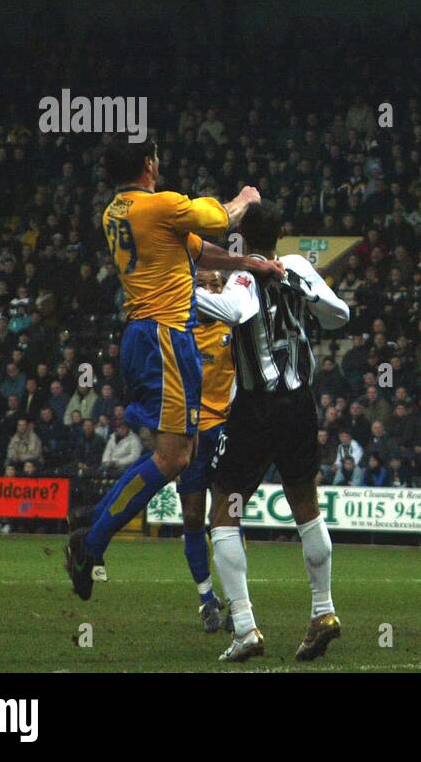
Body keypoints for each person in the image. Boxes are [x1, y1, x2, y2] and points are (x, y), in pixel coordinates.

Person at [65, 136, 278, 599]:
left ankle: (95, 518)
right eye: (157, 158)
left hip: (141, 334)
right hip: (166, 335)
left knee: (179, 450)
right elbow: (221, 217)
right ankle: (93, 539)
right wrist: (247, 197)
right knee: (175, 457)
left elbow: (195, 249)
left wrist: (244, 262)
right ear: (148, 164)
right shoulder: (160, 205)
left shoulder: (115, 212)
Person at [196, 202, 351, 663]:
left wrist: (180, 294)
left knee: (223, 511)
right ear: (281, 234)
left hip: (256, 408)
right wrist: (294, 281)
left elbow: (231, 311)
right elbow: (339, 314)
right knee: (307, 506)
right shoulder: (299, 265)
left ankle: (244, 627)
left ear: (240, 239)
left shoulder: (243, 279)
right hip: (301, 405)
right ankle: (323, 611)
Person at [175, 270, 236, 633]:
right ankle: (205, 598)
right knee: (194, 518)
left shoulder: (235, 330)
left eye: (219, 285)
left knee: (227, 517)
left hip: (225, 431)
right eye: (206, 285)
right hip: (190, 434)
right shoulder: (181, 332)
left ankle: (236, 601)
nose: (212, 290)